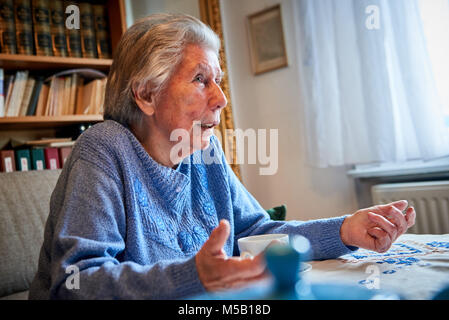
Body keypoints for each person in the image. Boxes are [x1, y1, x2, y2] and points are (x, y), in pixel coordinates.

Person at [29, 14, 415, 300]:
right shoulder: (103, 148)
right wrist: (194, 275)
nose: (221, 98)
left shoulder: (204, 150)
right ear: (146, 95)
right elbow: (76, 283)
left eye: (219, 80)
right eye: (200, 79)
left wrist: (345, 230)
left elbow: (253, 235)